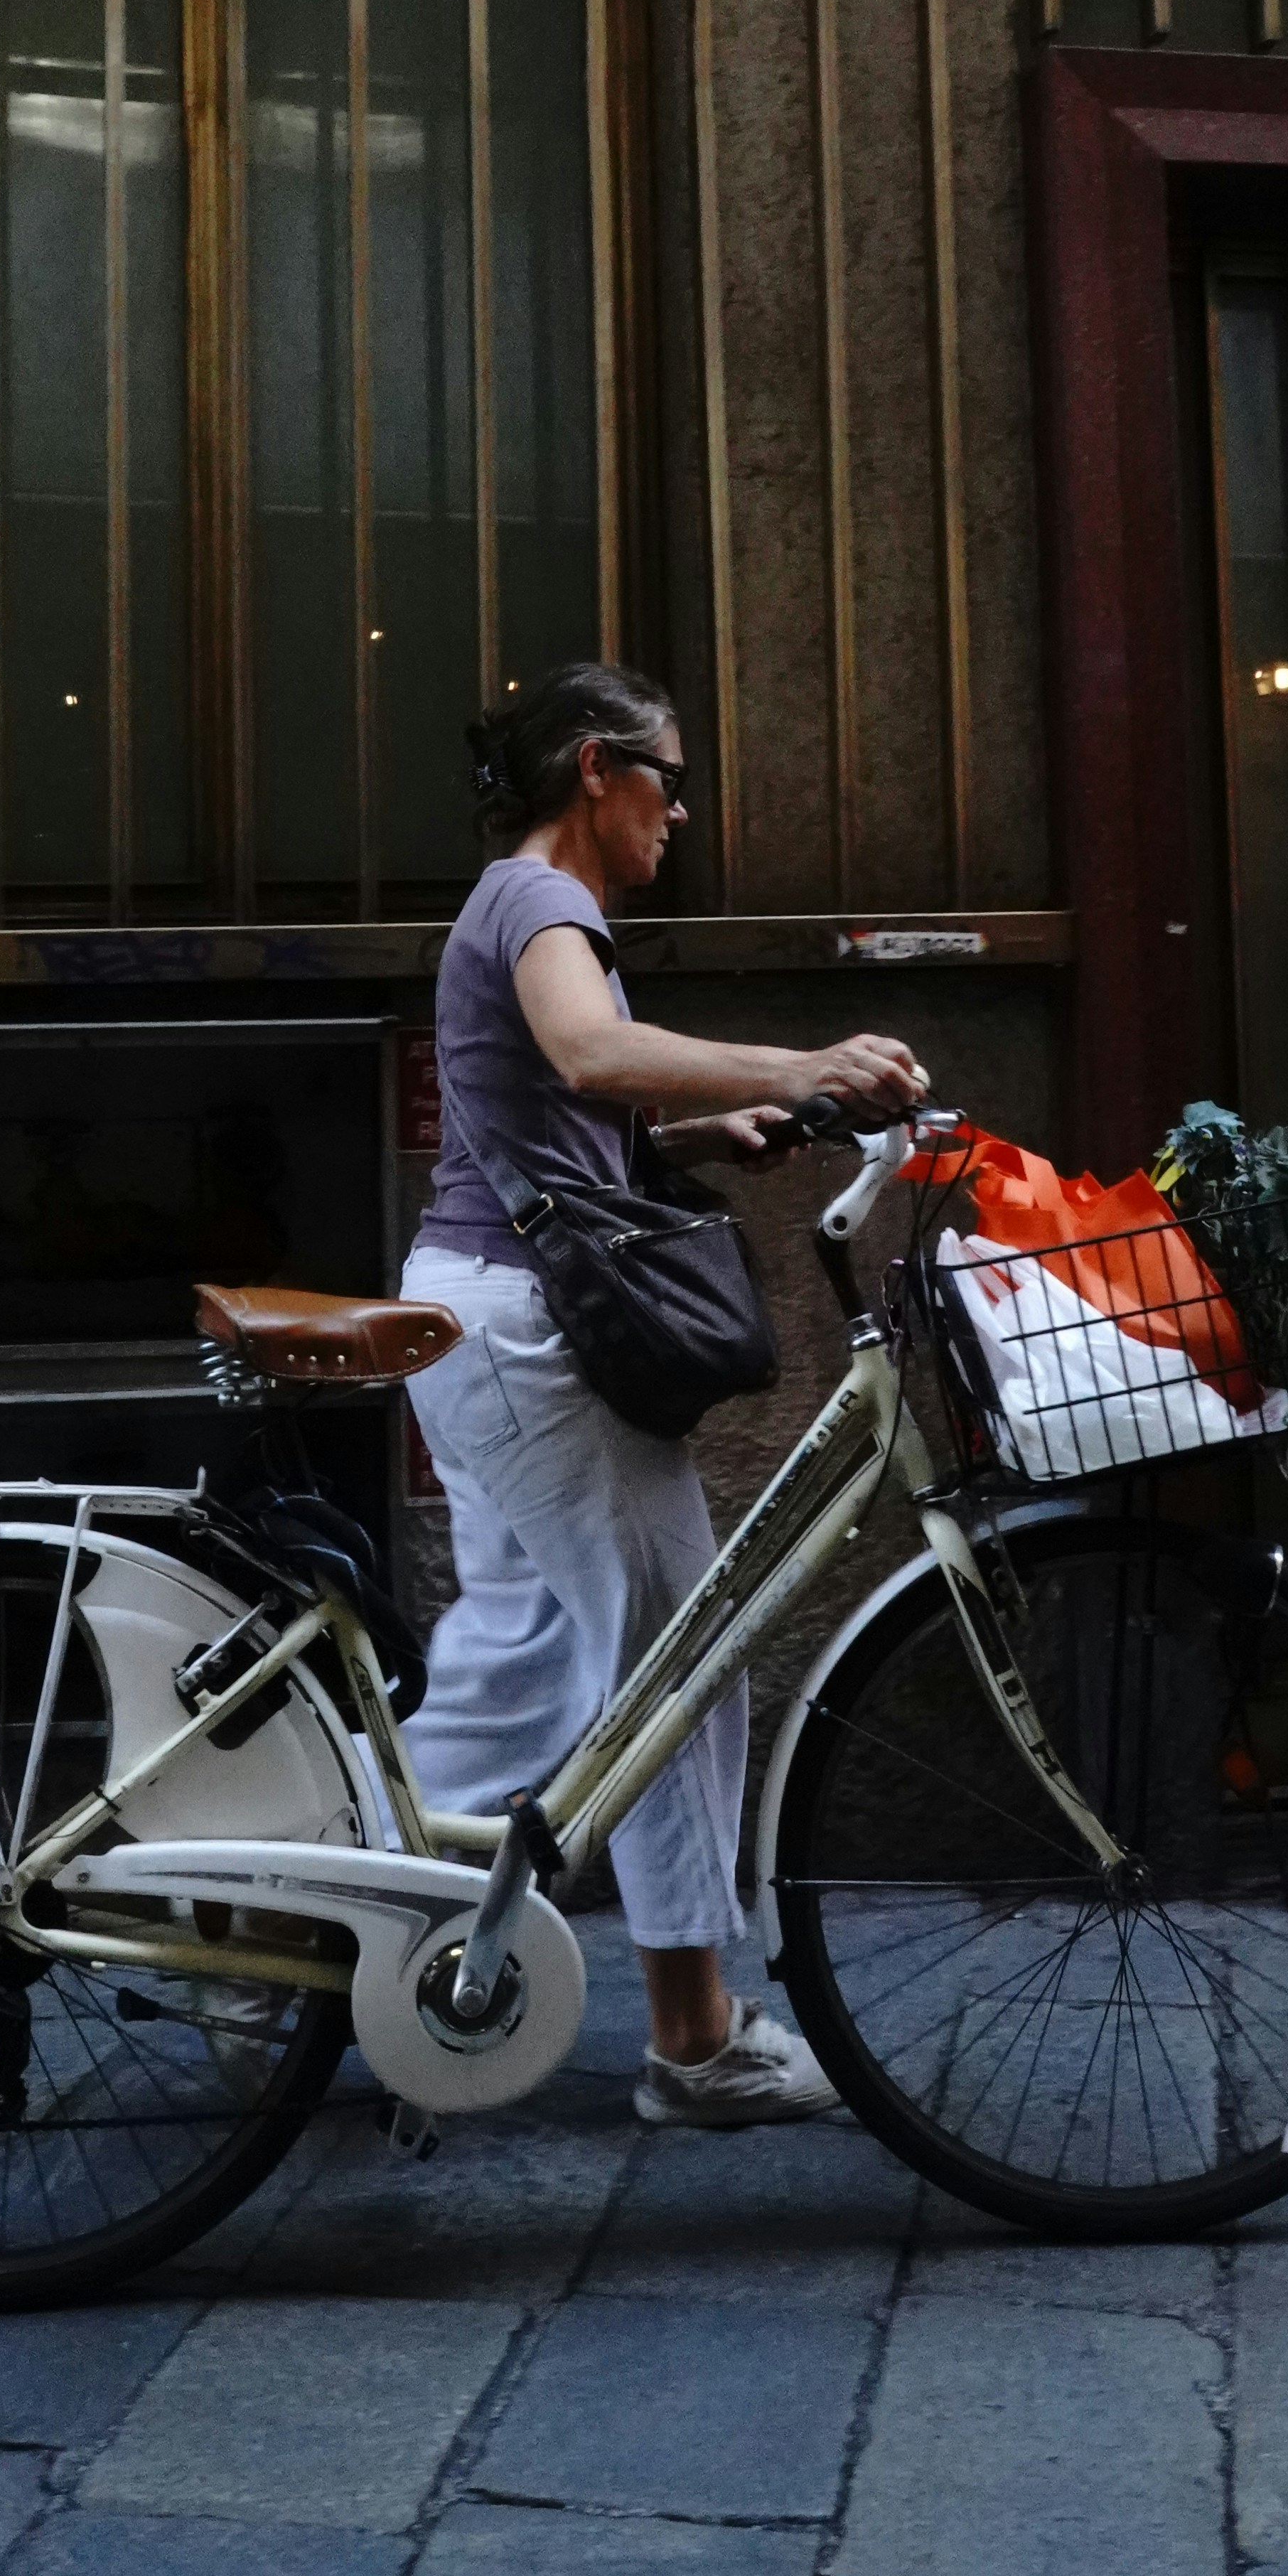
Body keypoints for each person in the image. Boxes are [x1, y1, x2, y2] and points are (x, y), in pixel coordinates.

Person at [399, 661, 927, 2127]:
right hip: (521, 1336)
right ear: (593, 771)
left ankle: (290, 1934)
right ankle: (695, 2038)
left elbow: (555, 1117)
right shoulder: (539, 903)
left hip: (481, 1317)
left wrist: (702, 1133)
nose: (678, 812)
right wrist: (802, 1055)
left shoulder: (519, 905)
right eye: (667, 780)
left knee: (514, 1672)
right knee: (680, 1668)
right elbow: (584, 1052)